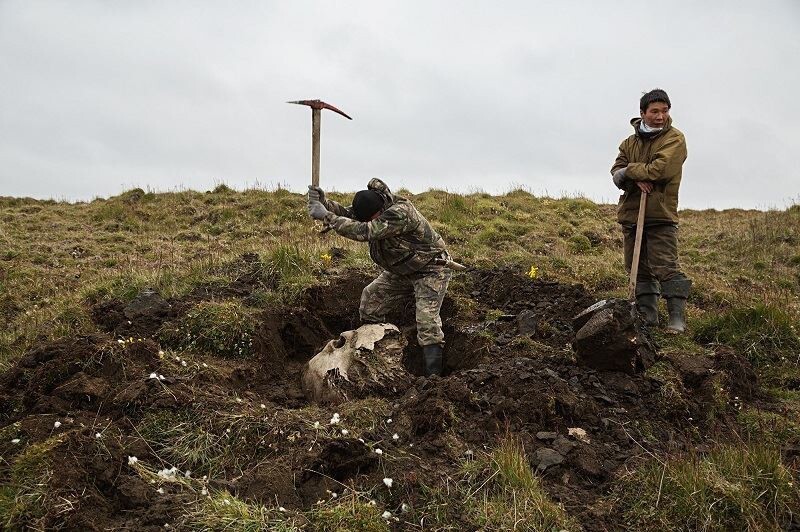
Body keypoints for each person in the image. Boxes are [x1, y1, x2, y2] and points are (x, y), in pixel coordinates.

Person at [306, 178, 451, 375]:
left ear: (381, 210)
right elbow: (351, 216)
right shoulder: (374, 207)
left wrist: (328, 217)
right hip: (401, 270)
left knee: (427, 322)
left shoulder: (401, 213)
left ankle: (433, 378)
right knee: (370, 299)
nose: (370, 221)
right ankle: (376, 351)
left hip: (430, 269)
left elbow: (365, 231)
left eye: (373, 218)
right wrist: (326, 204)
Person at [611, 88, 692, 333]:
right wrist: (632, 177)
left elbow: (661, 170)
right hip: (632, 215)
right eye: (655, 111)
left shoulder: (674, 139)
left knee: (666, 266)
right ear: (642, 113)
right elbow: (616, 172)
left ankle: (676, 320)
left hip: (660, 214)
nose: (660, 116)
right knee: (638, 268)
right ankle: (648, 316)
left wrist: (631, 171)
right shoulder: (629, 142)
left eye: (665, 111)